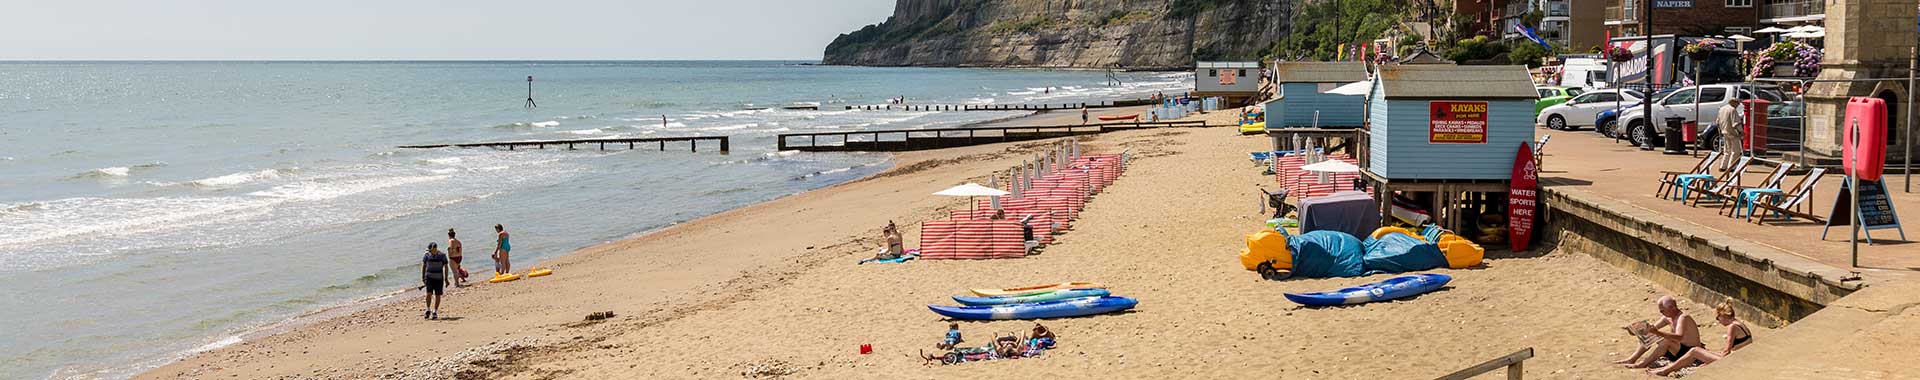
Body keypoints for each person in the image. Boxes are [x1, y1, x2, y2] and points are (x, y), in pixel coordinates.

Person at [1650, 300, 1754, 376]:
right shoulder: (1740, 324)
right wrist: (1709, 355)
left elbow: (1726, 352)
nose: (1719, 321)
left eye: (1718, 318)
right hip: (1741, 358)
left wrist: (1708, 360)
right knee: (1704, 351)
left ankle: (1665, 370)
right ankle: (1667, 368)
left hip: (1734, 362)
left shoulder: (1732, 327)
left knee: (1695, 351)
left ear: (1723, 315)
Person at [1615, 296, 1704, 369]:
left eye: (1662, 310)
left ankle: (1642, 364)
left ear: (1672, 308)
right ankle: (1632, 359)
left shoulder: (1683, 317)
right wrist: (1634, 330)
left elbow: (1679, 337)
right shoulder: (1668, 318)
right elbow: (1651, 330)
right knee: (1651, 334)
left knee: (1666, 341)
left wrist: (1657, 332)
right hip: (1677, 350)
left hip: (1689, 353)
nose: (1661, 313)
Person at [421, 242, 451, 320]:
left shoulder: (442, 256)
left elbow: (446, 267)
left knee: (438, 295)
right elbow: (424, 266)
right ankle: (428, 309)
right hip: (429, 278)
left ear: (435, 248)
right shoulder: (426, 255)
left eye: (431, 250)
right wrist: (423, 277)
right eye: (429, 250)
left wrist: (446, 279)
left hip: (439, 279)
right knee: (428, 294)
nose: (430, 252)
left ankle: (435, 311)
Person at [1715, 101, 1746, 170]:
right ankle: (1731, 166)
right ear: (1734, 103)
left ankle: (1723, 166)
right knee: (1736, 151)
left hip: (1724, 131)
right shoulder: (1732, 110)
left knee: (1727, 150)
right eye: (1737, 104)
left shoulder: (1722, 109)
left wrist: (1720, 130)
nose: (1737, 106)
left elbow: (1717, 122)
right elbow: (1736, 123)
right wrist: (1741, 132)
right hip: (1732, 133)